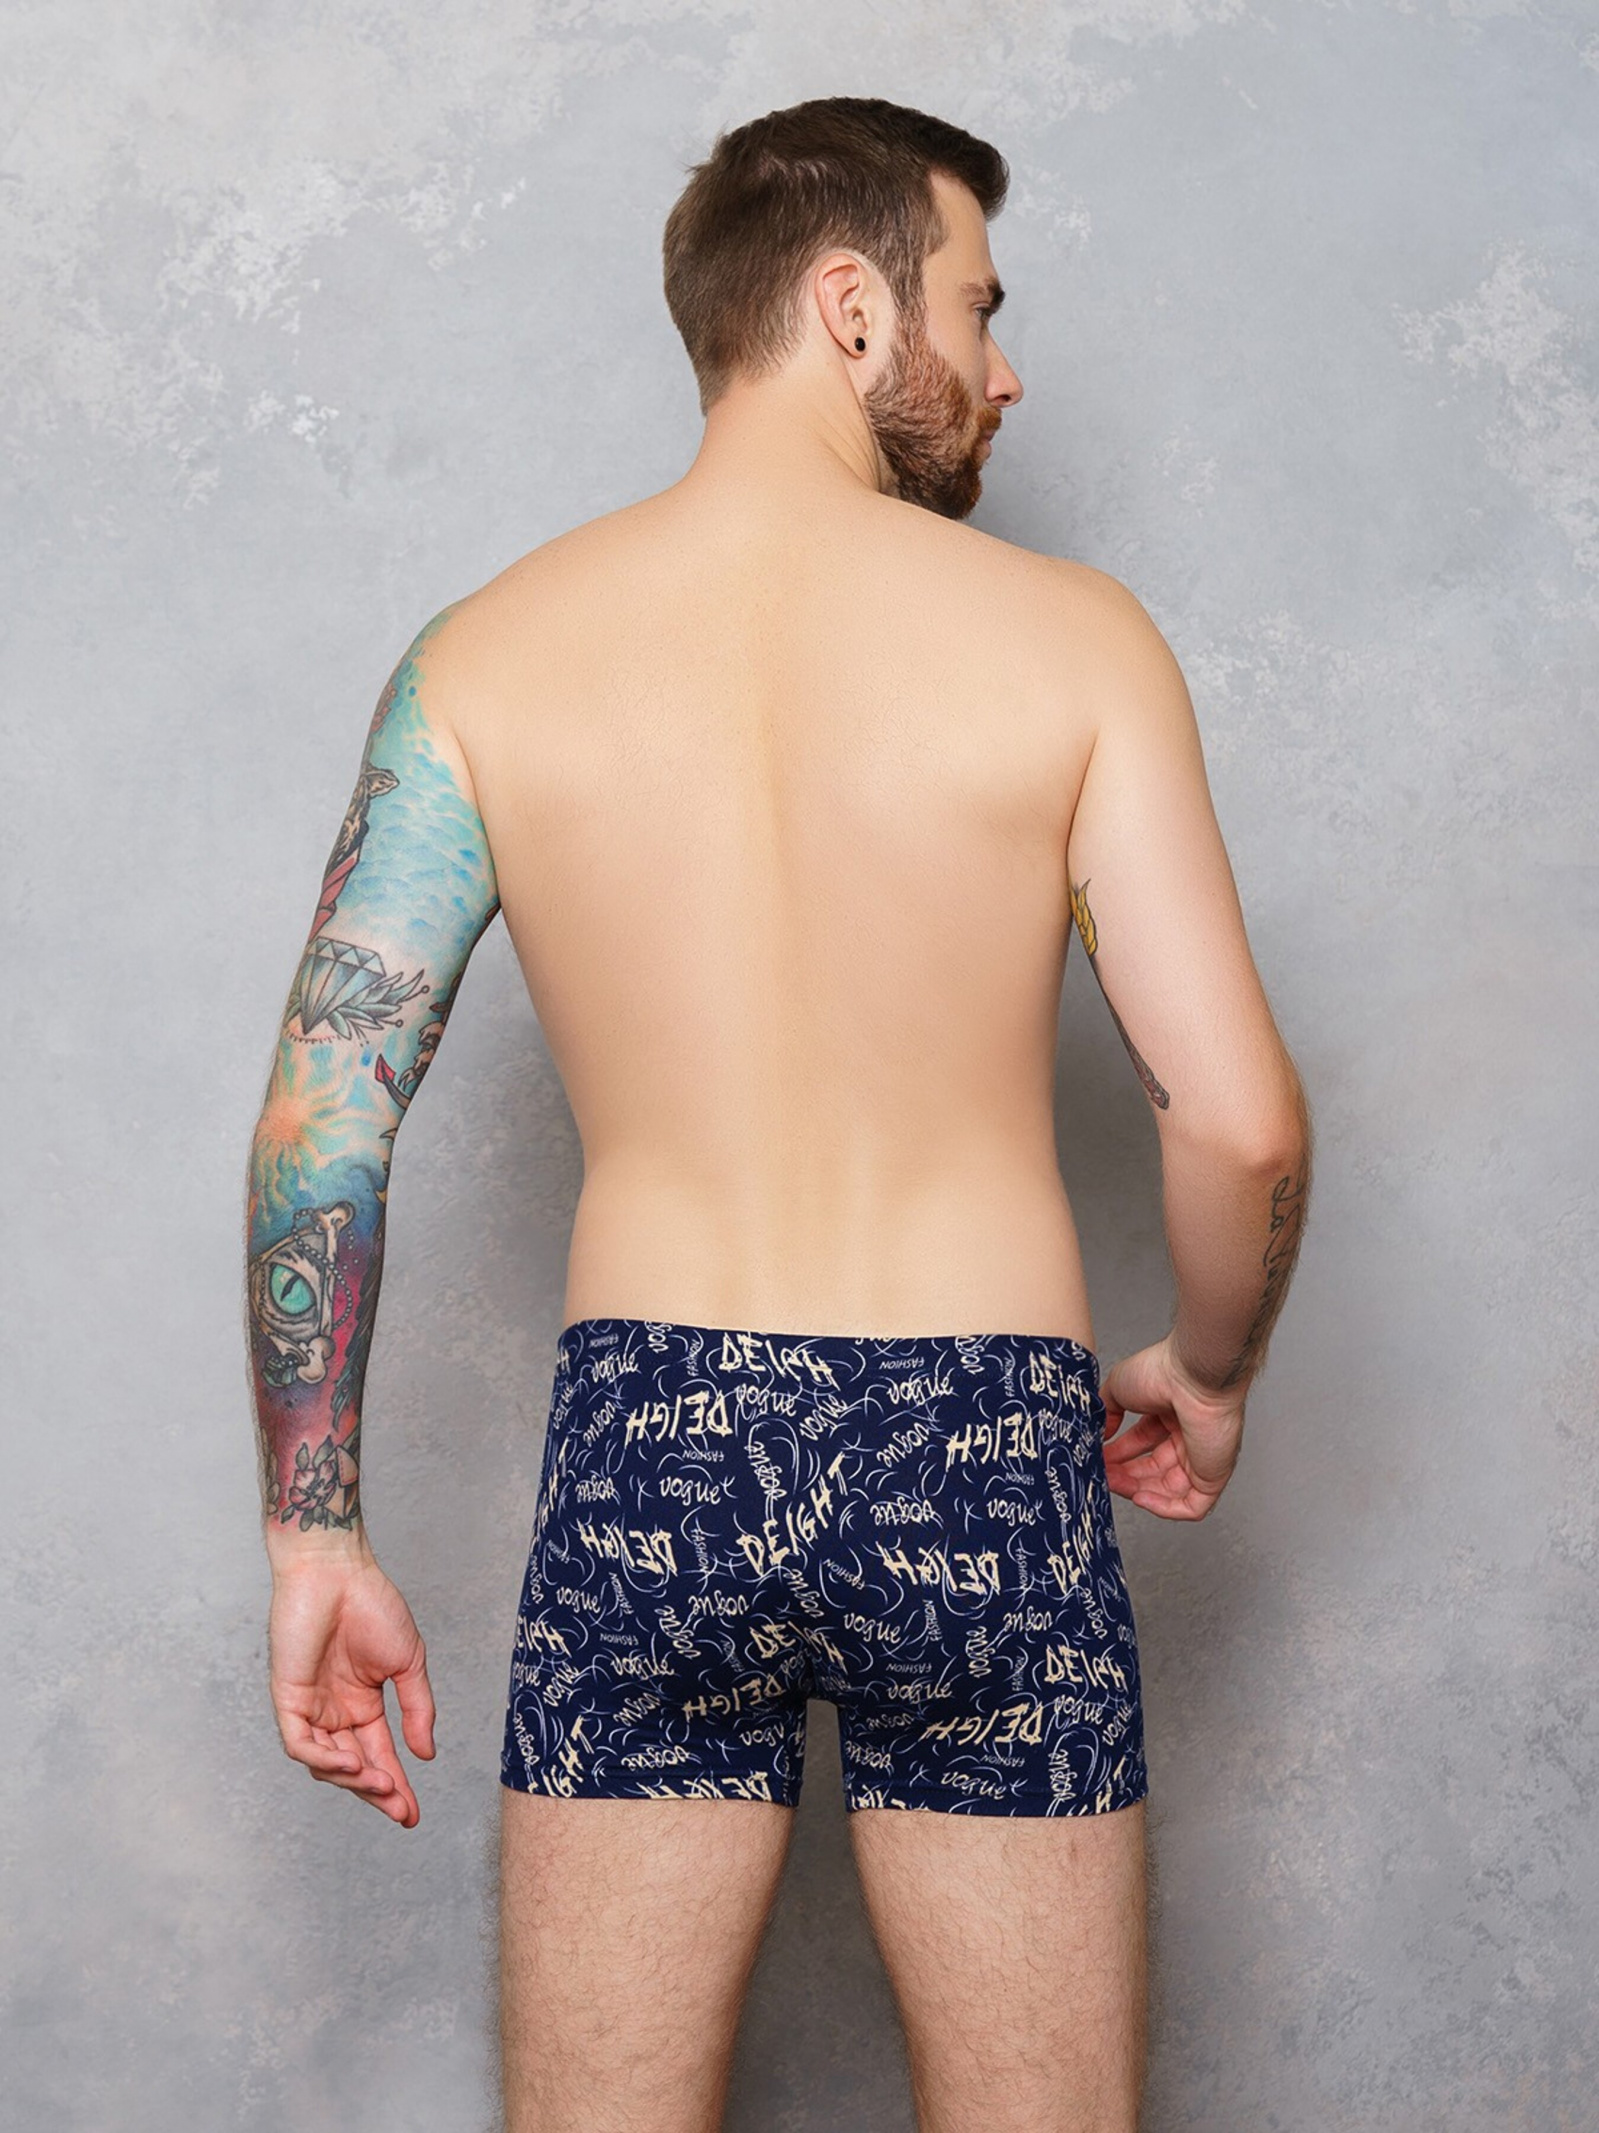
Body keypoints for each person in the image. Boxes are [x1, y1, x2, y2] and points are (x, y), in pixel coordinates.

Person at [244, 94, 1311, 2133]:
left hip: (647, 1440)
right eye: (977, 304)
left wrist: (316, 1532)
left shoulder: (485, 656)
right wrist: (1208, 1365)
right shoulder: (1071, 643)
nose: (1003, 367)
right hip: (982, 1439)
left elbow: (323, 1122)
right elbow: (1239, 1124)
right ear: (848, 304)